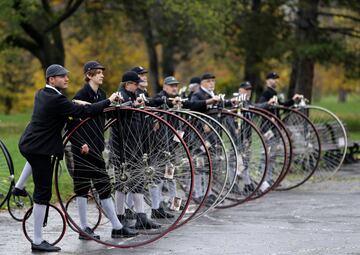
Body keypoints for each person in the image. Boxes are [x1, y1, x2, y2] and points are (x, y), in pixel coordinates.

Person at [18, 64, 119, 252]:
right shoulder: (56, 100)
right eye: (62, 76)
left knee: (43, 190)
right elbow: (82, 112)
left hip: (31, 145)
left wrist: (79, 104)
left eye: (66, 76)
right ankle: (38, 240)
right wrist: (109, 101)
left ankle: (19, 187)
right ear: (51, 80)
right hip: (38, 149)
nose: (66, 79)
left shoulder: (43, 94)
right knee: (43, 192)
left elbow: (70, 110)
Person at [68, 61, 138, 240]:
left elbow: (105, 113)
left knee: (102, 185)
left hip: (96, 145)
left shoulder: (101, 94)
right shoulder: (81, 94)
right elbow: (72, 124)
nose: (102, 75)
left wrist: (124, 104)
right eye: (98, 72)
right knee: (84, 187)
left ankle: (115, 226)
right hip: (83, 148)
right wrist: (81, 143)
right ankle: (87, 228)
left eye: (102, 72)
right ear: (89, 75)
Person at [110, 71, 161, 229]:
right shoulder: (121, 96)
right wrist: (133, 105)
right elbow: (116, 110)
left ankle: (141, 216)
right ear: (127, 84)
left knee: (138, 181)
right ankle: (120, 216)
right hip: (123, 147)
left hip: (135, 145)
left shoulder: (132, 96)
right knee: (122, 182)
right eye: (135, 84)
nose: (138, 86)